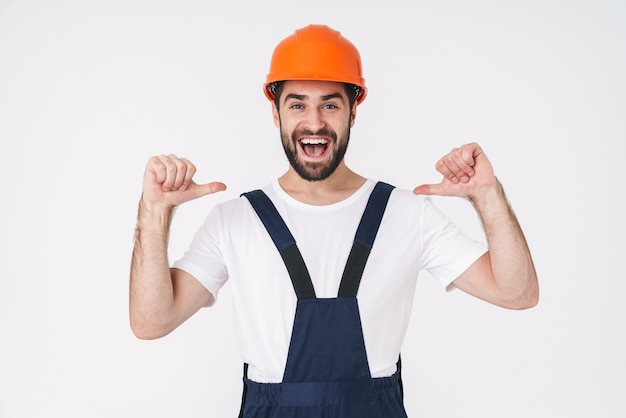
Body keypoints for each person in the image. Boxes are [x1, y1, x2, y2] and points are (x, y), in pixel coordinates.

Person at [129, 24, 538, 418]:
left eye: (329, 103)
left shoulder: (407, 214)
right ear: (276, 113)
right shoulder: (235, 220)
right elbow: (150, 322)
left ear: (353, 111)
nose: (314, 122)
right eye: (297, 104)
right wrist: (155, 212)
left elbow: (517, 293)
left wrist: (488, 196)